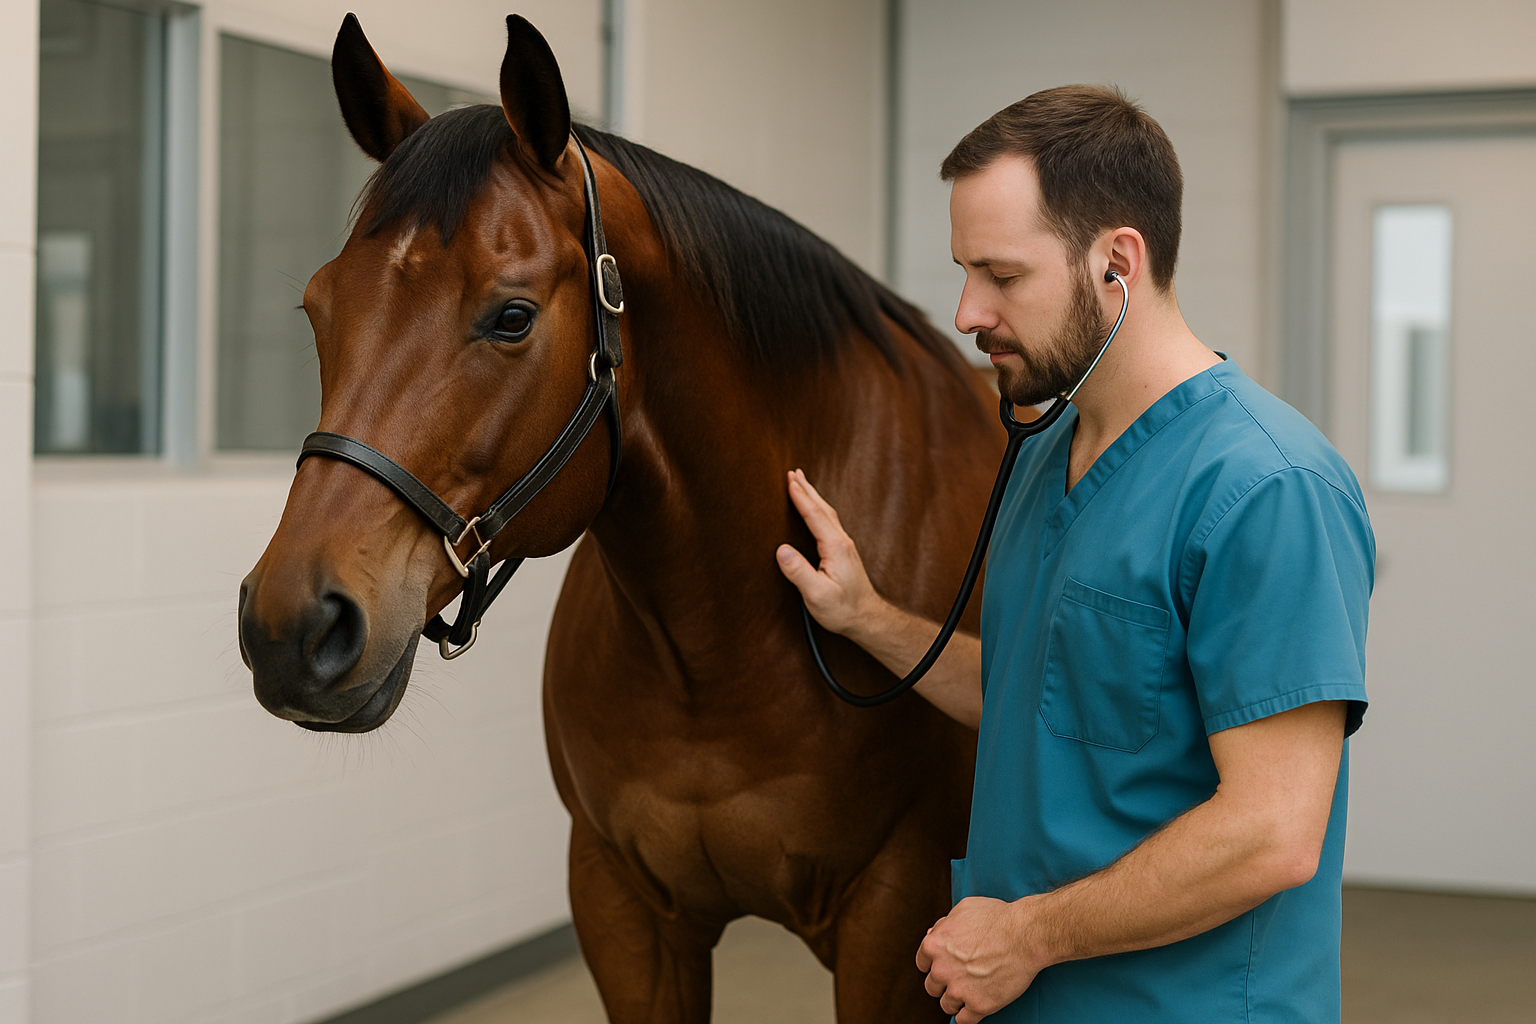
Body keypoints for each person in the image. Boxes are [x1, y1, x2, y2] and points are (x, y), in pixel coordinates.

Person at [775, 86, 1373, 1024]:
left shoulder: (1268, 487)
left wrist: (1027, 936)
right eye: (963, 270)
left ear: (1117, 263)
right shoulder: (1048, 451)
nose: (967, 312)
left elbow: (1272, 833)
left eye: (1002, 276)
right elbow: (1043, 694)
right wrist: (867, 618)